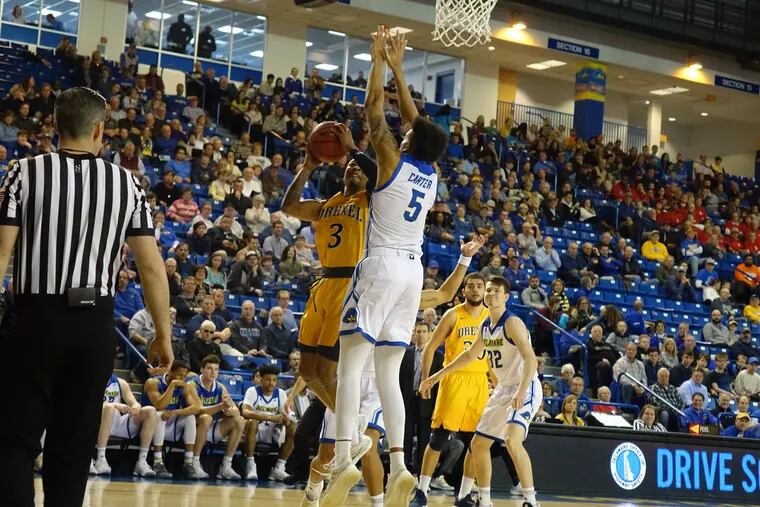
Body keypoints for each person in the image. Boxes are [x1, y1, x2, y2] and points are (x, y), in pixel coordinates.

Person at [0, 87, 173, 506]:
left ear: (55, 125)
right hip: (94, 324)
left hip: (34, 320)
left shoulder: (24, 172)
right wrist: (163, 334)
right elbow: (151, 267)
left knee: (14, 441)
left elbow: (0, 253)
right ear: (100, 130)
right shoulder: (128, 183)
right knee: (73, 448)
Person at [330, 28, 449, 506]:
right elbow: (418, 124)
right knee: (388, 376)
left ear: (410, 141)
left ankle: (343, 457)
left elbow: (373, 111)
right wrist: (401, 68)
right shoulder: (431, 172)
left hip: (380, 266)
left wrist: (379, 60)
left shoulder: (391, 160)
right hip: (413, 273)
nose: (405, 129)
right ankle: (400, 464)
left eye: (408, 132)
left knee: (350, 368)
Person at [420, 277, 542, 507]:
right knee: (478, 445)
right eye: (489, 291)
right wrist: (436, 377)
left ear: (506, 297)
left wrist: (521, 391)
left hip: (525, 386)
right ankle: (483, 500)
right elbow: (468, 356)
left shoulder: (512, 323)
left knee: (512, 440)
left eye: (496, 291)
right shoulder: (486, 326)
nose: (491, 294)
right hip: (503, 389)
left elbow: (531, 360)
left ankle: (531, 501)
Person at [413, 274, 490, 505]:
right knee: (438, 440)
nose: (475, 290)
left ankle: (464, 495)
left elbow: (493, 354)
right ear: (463, 291)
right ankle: (422, 491)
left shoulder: (491, 318)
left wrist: (497, 382)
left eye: (479, 286)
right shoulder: (453, 315)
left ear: (485, 290)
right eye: (470, 286)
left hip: (480, 383)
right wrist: (426, 379)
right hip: (454, 380)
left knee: (477, 444)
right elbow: (430, 348)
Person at [91, 372, 158, 477]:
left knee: (150, 410)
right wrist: (114, 404)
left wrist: (136, 406)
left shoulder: (120, 382)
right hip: (98, 423)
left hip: (117, 422)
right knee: (108, 408)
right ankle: (100, 458)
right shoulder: (92, 380)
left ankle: (142, 461)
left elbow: (134, 402)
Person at [141, 362, 201, 478]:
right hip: (147, 426)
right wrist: (172, 386)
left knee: (190, 417)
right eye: (179, 375)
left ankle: (188, 463)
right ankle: (158, 462)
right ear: (170, 372)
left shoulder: (183, 386)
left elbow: (196, 408)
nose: (181, 379)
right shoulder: (153, 383)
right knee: (160, 415)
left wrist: (175, 412)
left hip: (168, 424)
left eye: (184, 376)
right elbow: (160, 405)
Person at [191, 355, 245, 480]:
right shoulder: (193, 385)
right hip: (193, 427)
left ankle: (226, 466)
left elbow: (235, 410)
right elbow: (199, 410)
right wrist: (221, 406)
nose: (213, 372)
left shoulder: (220, 387)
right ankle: (194, 463)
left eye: (216, 369)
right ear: (202, 369)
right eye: (209, 368)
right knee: (206, 417)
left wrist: (230, 411)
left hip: (212, 428)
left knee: (239, 420)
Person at [241, 364, 295, 481]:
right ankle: (250, 464)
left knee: (293, 427)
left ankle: (279, 467)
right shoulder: (253, 391)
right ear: (261, 380)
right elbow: (245, 412)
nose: (271, 383)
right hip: (254, 431)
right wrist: (269, 417)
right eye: (267, 379)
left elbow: (287, 414)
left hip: (272, 432)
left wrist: (286, 419)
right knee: (252, 422)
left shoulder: (281, 393)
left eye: (274, 380)